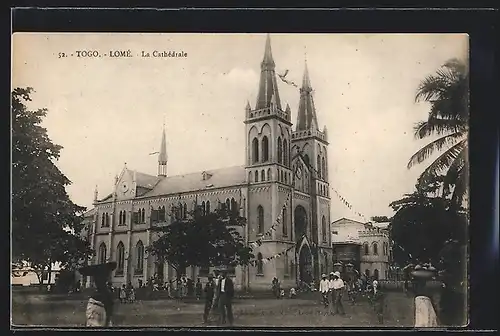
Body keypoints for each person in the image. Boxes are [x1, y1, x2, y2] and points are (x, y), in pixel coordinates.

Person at [78, 261, 117, 327]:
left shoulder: (104, 291)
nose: (109, 276)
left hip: (96, 305)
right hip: (98, 306)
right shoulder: (105, 292)